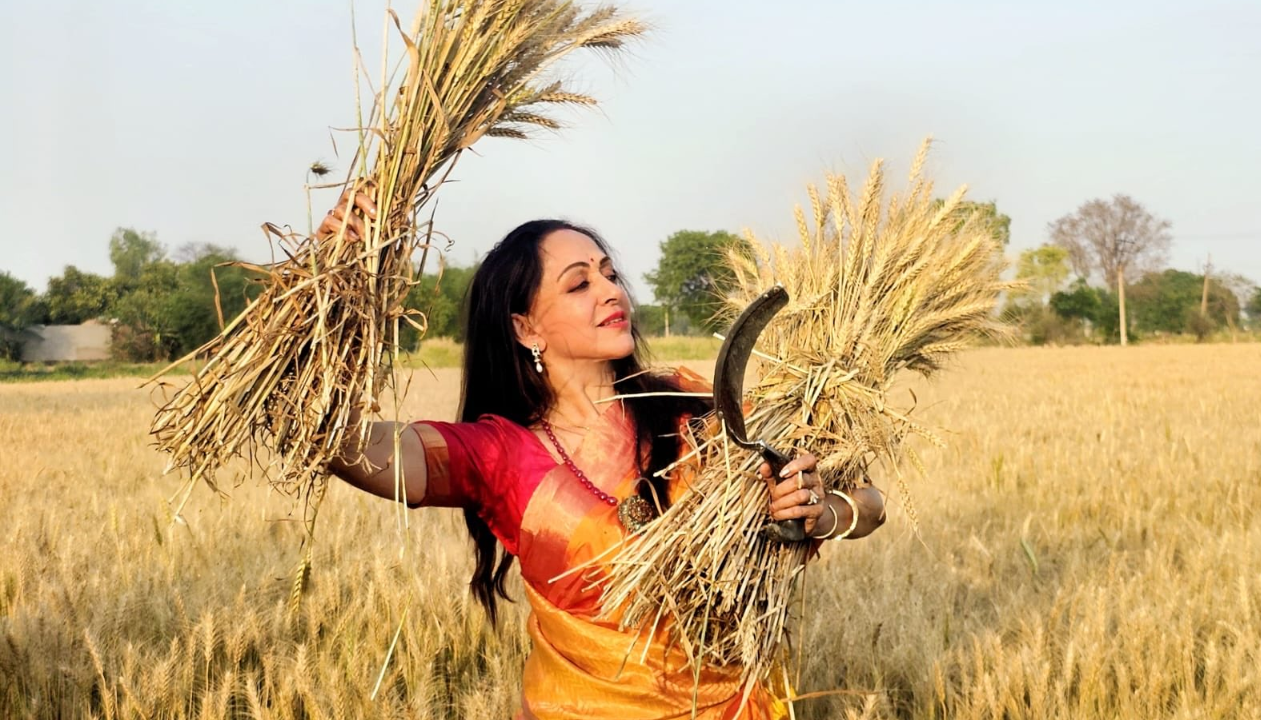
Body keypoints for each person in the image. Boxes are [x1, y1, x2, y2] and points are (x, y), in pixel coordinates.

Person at [321, 202, 885, 719]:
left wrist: (819, 513)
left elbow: (871, 501)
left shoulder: (697, 406)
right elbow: (341, 443)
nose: (610, 292)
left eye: (610, 275)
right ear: (525, 327)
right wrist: (330, 287)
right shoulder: (499, 455)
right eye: (579, 285)